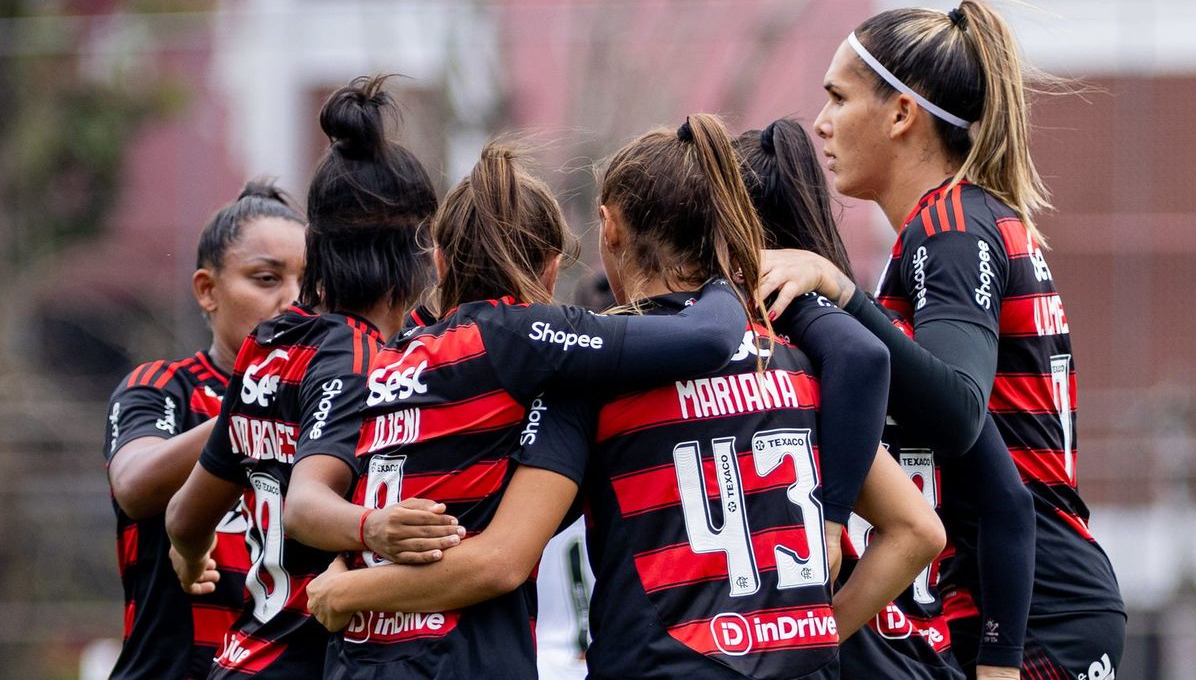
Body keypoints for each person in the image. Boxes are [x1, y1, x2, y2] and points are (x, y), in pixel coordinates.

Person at [759, 0, 1125, 679]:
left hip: (1039, 613)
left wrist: (839, 294)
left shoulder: (952, 227)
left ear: (902, 114)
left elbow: (960, 409)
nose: (821, 123)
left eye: (839, 99)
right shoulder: (953, 222)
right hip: (1012, 601)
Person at [299, 132, 753, 679]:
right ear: (550, 268)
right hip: (457, 658)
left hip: (357, 657)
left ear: (440, 263)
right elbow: (706, 342)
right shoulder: (518, 334)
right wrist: (727, 279)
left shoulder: (390, 357)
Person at [165, 76, 462, 678]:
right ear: (416, 255)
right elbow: (304, 506)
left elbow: (182, 517)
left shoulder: (270, 346)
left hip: (241, 659)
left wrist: (191, 556)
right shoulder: (356, 357)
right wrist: (372, 526)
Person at [103, 179, 305, 679]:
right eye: (266, 279)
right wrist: (253, 410)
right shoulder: (162, 387)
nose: (293, 301)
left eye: (308, 283)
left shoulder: (327, 405)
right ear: (208, 290)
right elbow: (134, 485)